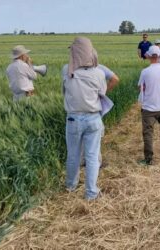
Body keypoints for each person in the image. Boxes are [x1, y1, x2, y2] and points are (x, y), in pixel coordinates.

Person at [62, 37, 107, 200]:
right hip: (93, 118)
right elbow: (102, 93)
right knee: (92, 156)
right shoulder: (99, 73)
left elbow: (64, 90)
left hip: (73, 119)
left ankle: (70, 186)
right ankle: (91, 192)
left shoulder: (66, 70)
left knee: (73, 154)